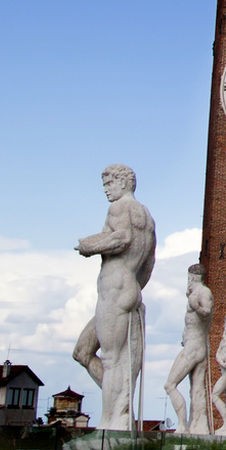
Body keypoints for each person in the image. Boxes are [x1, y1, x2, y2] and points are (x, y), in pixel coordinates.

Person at [71, 164, 156, 429]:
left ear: (123, 182)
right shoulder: (146, 216)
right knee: (83, 351)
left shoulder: (119, 208)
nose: (106, 190)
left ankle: (112, 421)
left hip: (115, 290)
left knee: (112, 360)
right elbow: (149, 264)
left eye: (109, 184)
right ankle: (121, 408)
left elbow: (122, 238)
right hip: (129, 288)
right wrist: (133, 289)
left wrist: (89, 246)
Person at [165, 262, 214, 433]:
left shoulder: (203, 292)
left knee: (170, 385)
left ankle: (182, 426)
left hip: (194, 347)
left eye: (188, 278)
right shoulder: (198, 293)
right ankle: (199, 425)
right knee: (197, 388)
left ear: (192, 277)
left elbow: (206, 312)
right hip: (194, 344)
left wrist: (196, 306)